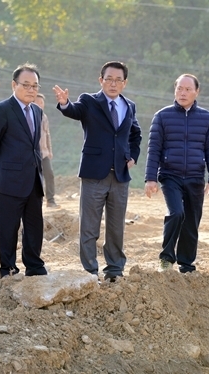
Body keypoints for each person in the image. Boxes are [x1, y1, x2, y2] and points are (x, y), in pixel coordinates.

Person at [53, 61, 142, 282]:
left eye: (118, 80)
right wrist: (65, 103)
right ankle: (90, 271)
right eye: (108, 79)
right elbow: (74, 111)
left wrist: (132, 156)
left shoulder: (129, 106)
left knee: (116, 227)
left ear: (124, 83)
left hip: (120, 176)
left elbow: (135, 134)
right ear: (100, 80)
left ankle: (114, 269)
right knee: (89, 227)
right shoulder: (89, 101)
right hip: (94, 174)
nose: (113, 83)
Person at [144, 74, 209, 273]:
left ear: (197, 92)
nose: (182, 93)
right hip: (170, 175)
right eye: (179, 89)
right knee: (176, 213)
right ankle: (166, 258)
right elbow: (154, 149)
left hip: (195, 177)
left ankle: (186, 264)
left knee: (192, 221)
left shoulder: (207, 118)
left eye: (187, 89)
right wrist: (150, 178)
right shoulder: (162, 116)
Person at [0, 63, 47, 278]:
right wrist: (0, 170)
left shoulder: (37, 111)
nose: (31, 89)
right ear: (14, 85)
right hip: (9, 180)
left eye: (35, 85)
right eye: (26, 84)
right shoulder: (2, 110)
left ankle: (34, 265)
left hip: (33, 180)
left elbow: (34, 146)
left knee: (34, 226)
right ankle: (8, 267)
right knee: (8, 228)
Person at [34, 93, 58, 208]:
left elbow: (47, 135)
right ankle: (37, 201)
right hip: (33, 154)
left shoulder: (44, 117)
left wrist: (49, 150)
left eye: (41, 103)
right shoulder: (29, 115)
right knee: (36, 178)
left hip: (44, 153)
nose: (39, 104)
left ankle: (51, 200)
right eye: (37, 102)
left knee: (49, 175)